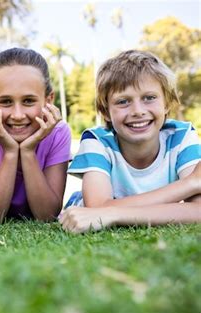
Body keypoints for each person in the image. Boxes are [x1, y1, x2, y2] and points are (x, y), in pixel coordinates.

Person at [59, 50, 201, 233]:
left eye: (149, 98)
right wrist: (189, 184)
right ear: (105, 111)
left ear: (166, 103)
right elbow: (97, 209)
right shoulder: (97, 141)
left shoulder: (181, 136)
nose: (138, 111)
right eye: (123, 101)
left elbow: (198, 210)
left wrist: (113, 214)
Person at [0, 48, 72, 223]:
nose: (18, 115)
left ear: (48, 101)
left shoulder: (58, 132)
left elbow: (47, 215)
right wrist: (10, 152)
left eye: (28, 101)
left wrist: (28, 151)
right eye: (6, 102)